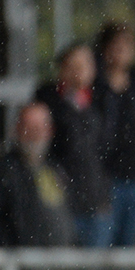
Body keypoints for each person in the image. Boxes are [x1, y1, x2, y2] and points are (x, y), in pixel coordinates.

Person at [35, 42, 111, 247]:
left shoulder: (102, 100)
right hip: (61, 203)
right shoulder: (47, 102)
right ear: (63, 68)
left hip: (97, 202)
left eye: (85, 64)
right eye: (74, 65)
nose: (80, 71)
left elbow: (110, 149)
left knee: (96, 263)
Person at [93, 22, 135, 246]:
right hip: (105, 178)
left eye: (126, 46)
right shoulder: (95, 87)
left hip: (134, 178)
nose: (121, 52)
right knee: (102, 241)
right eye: (116, 46)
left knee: (127, 244)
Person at [0, 101, 76, 246]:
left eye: (40, 127)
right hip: (21, 257)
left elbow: (68, 215)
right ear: (17, 129)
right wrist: (12, 249)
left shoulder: (55, 169)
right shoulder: (3, 172)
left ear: (50, 130)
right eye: (29, 127)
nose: (35, 134)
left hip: (61, 256)